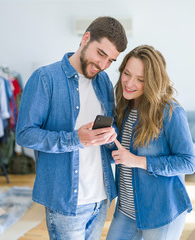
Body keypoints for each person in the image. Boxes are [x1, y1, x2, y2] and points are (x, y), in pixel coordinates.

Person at [15, 16, 128, 239]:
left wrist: (110, 133)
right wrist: (75, 139)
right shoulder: (45, 79)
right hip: (67, 202)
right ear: (86, 39)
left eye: (111, 61)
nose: (103, 65)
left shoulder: (103, 82)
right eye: (101, 54)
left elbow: (109, 123)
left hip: (100, 197)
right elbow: (25, 134)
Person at [106, 45, 195, 240]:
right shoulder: (123, 107)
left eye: (141, 80)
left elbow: (188, 163)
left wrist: (139, 161)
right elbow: (120, 157)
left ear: (154, 82)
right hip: (127, 210)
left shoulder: (170, 112)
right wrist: (106, 140)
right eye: (127, 74)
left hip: (161, 213)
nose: (129, 83)